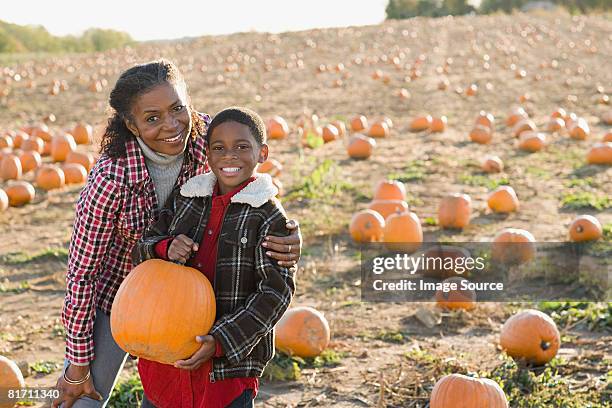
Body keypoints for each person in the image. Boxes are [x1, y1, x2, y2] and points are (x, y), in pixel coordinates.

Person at [52, 60, 301, 408]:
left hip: (191, 292)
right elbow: (83, 273)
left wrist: (288, 230)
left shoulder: (210, 139)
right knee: (82, 398)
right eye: (152, 118)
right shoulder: (111, 178)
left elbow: (252, 184)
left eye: (177, 109)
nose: (171, 125)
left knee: (185, 387)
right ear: (132, 124)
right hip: (120, 292)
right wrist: (78, 364)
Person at [133, 106, 294, 408]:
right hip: (167, 356)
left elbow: (275, 292)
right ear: (208, 154)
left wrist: (222, 341)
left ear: (263, 153)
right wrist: (164, 247)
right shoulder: (186, 199)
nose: (229, 156)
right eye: (219, 148)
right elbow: (143, 246)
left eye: (242, 147)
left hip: (227, 370)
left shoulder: (269, 218)